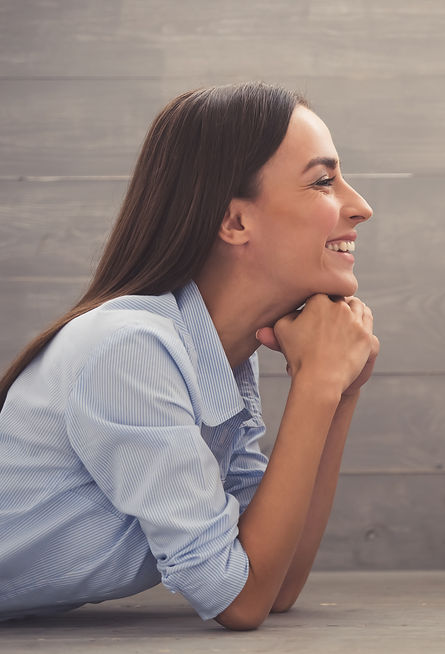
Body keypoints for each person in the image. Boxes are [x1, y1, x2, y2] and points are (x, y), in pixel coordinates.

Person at [0, 82, 378, 630]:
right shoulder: (128, 348)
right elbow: (239, 601)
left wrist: (342, 389)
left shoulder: (224, 358)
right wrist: (317, 383)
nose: (361, 206)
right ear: (234, 222)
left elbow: (276, 581)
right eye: (323, 181)